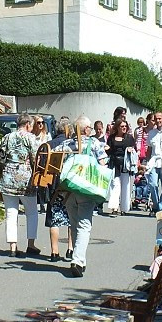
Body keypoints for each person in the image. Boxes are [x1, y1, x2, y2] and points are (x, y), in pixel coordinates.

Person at [61, 116, 108, 278]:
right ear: (87, 129)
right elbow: (103, 164)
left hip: (68, 191)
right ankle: (78, 261)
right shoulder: (94, 143)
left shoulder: (66, 144)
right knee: (84, 226)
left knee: (74, 225)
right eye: (90, 128)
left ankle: (79, 258)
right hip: (86, 190)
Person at [0, 114, 41, 257]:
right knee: (32, 212)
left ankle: (12, 247)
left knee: (11, 213)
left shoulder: (7, 137)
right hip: (25, 179)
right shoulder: (31, 138)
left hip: (8, 177)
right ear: (28, 124)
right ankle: (31, 244)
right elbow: (36, 158)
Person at [46, 118, 74, 262]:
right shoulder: (73, 145)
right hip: (70, 185)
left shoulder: (49, 145)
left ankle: (54, 252)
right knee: (72, 217)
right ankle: (70, 249)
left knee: (54, 219)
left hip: (54, 185)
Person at [105, 117, 137, 215]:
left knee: (126, 186)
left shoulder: (129, 138)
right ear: (117, 127)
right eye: (122, 126)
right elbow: (109, 151)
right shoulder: (111, 137)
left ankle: (124, 208)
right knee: (115, 186)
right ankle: (114, 208)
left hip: (125, 165)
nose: (124, 128)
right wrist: (107, 149)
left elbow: (134, 150)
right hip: (114, 164)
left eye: (125, 126)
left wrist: (131, 150)